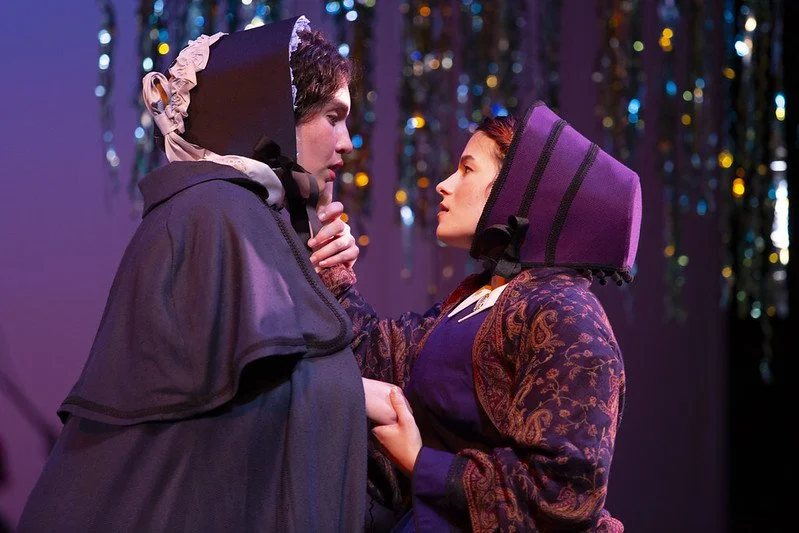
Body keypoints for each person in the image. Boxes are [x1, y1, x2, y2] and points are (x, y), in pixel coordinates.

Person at [18, 16, 366, 532]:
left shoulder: (239, 210)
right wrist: (369, 396)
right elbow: (246, 421)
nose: (347, 143)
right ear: (277, 110)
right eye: (334, 117)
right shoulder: (217, 211)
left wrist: (319, 279)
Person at [317, 102, 641, 532]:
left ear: (516, 190)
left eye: (467, 170)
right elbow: (380, 357)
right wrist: (333, 267)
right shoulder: (482, 297)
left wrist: (421, 462)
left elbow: (564, 493)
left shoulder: (566, 314)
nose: (444, 186)